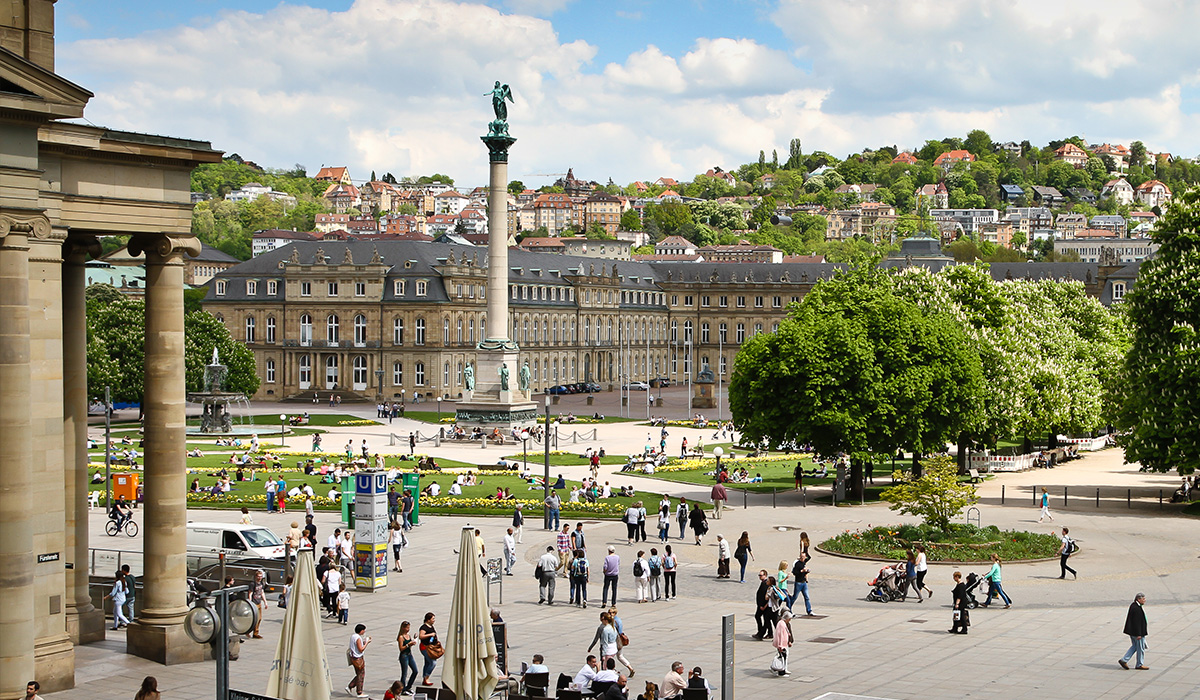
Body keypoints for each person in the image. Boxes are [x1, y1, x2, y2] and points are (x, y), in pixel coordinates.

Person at [1119, 593, 1149, 670]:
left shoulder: (1134, 605)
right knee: (1140, 648)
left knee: (1135, 646)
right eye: (1143, 599)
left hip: (1132, 632)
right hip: (1137, 633)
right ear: (1138, 599)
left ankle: (1124, 660)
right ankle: (1139, 664)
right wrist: (1139, 634)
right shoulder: (1137, 609)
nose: (1144, 600)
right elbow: (1137, 623)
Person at [346, 623, 371, 698]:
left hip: (353, 657)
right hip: (358, 658)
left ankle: (350, 686)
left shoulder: (353, 636)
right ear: (361, 631)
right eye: (363, 630)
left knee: (359, 673)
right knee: (361, 674)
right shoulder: (358, 638)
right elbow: (361, 649)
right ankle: (359, 692)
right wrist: (367, 643)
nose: (364, 632)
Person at [396, 620, 419, 695]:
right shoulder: (401, 637)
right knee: (404, 673)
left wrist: (414, 639)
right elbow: (401, 648)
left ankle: (408, 686)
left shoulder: (408, 635)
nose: (408, 629)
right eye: (407, 628)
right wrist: (408, 645)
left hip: (409, 654)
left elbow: (410, 643)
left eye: (409, 627)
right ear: (403, 628)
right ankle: (402, 689)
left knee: (415, 671)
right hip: (404, 656)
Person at [753, 569, 776, 640]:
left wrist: (762, 605)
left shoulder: (766, 585)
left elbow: (766, 597)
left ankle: (761, 633)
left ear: (765, 575)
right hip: (765, 606)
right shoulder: (765, 583)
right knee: (768, 620)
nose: (759, 576)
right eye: (759, 575)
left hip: (765, 606)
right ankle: (769, 633)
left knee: (764, 619)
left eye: (761, 575)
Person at [418, 612, 440, 686]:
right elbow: (421, 636)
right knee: (433, 663)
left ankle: (425, 678)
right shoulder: (424, 627)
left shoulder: (431, 626)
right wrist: (430, 634)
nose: (434, 620)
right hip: (425, 647)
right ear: (428, 620)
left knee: (427, 663)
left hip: (431, 647)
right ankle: (426, 676)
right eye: (433, 619)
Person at [772, 610, 793, 676]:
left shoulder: (782, 623)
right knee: (782, 657)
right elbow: (780, 635)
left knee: (783, 656)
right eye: (789, 619)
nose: (789, 620)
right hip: (782, 644)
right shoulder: (781, 624)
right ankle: (781, 672)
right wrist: (780, 646)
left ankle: (782, 670)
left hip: (784, 643)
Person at [249, 569, 266, 638]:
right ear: (256, 576)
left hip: (259, 602)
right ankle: (250, 631)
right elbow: (250, 593)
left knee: (259, 618)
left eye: (261, 576)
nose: (260, 578)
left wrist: (265, 602)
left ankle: (256, 632)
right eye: (258, 576)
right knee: (254, 619)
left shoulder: (261, 583)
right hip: (254, 602)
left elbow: (262, 592)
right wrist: (250, 602)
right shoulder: (253, 584)